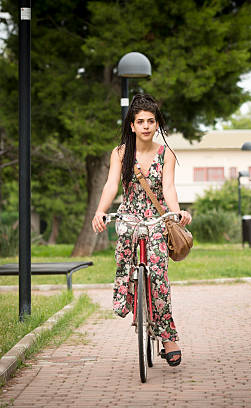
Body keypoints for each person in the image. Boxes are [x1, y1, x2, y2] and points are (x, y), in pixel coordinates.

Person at [91, 93, 192, 367]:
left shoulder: (166, 154)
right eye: (140, 121)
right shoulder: (121, 153)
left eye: (151, 120)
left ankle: (168, 337)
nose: (146, 125)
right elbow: (111, 185)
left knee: (158, 277)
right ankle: (132, 300)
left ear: (157, 124)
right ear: (132, 126)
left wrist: (177, 212)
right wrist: (100, 211)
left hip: (157, 221)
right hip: (130, 217)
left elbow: (168, 188)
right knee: (124, 264)